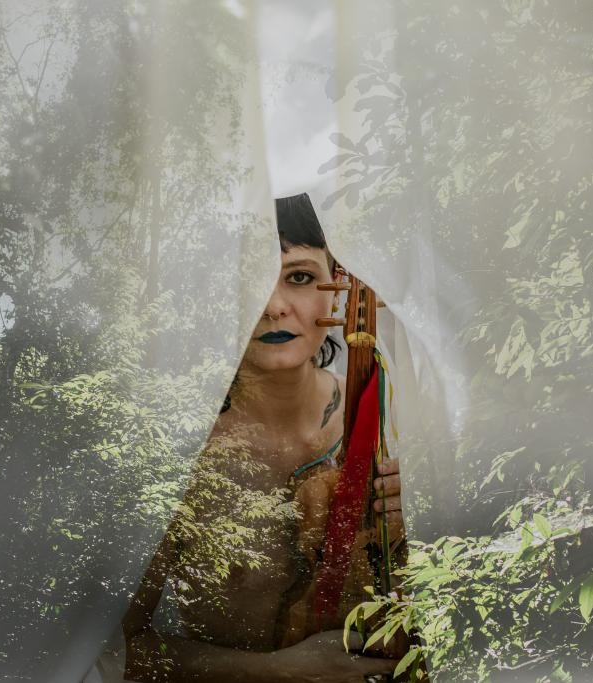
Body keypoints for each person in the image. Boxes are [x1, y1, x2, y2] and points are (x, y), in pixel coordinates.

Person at [122, 194, 404, 682]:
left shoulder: (390, 419)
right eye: (244, 280)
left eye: (299, 277)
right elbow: (116, 649)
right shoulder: (173, 452)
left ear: (338, 286)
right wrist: (276, 672)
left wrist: (424, 521)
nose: (273, 307)